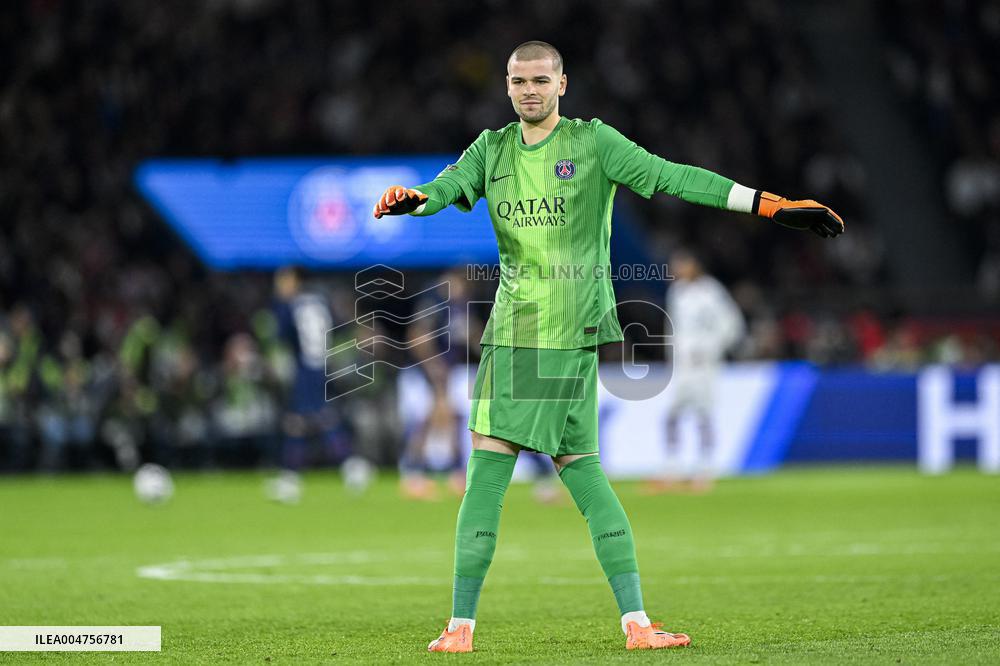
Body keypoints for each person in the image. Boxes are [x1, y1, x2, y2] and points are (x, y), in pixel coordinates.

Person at [372, 40, 843, 653]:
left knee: (486, 472)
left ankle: (460, 627)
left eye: (540, 80)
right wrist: (417, 200)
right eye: (518, 81)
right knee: (586, 476)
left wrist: (766, 204)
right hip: (566, 338)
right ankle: (637, 624)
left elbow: (675, 177)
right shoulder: (491, 150)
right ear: (507, 85)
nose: (528, 91)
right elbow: (446, 186)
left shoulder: (594, 144)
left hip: (530, 338)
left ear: (563, 84)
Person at [654, 249, 745, 493]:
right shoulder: (678, 292)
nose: (677, 270)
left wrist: (712, 349)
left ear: (694, 265)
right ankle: (672, 468)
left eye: (682, 265)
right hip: (681, 366)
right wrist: (670, 355)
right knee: (672, 414)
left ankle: (705, 470)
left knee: (703, 414)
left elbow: (733, 324)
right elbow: (672, 328)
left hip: (704, 366)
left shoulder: (711, 291)